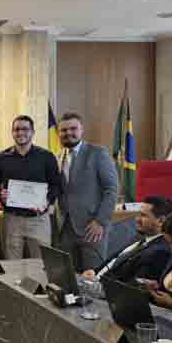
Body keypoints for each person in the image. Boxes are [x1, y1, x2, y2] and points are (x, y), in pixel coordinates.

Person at [56, 112, 118, 272]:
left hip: (92, 228)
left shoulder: (98, 153)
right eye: (63, 130)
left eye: (73, 128)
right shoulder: (57, 157)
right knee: (70, 278)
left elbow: (111, 189)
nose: (68, 133)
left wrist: (100, 221)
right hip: (65, 228)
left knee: (92, 279)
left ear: (81, 130)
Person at [0, 115, 61, 259]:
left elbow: (55, 185)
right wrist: (1, 195)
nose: (20, 133)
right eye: (17, 129)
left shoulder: (47, 157)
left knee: (42, 264)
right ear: (12, 132)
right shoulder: (1, 158)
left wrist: (46, 202)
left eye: (25, 129)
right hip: (11, 219)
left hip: (39, 219)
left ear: (32, 132)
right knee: (12, 264)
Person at [82, 195, 172, 283]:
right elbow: (115, 261)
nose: (137, 219)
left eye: (143, 215)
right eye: (138, 214)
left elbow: (132, 289)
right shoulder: (140, 237)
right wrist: (95, 272)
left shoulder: (159, 252)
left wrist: (95, 283)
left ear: (161, 221)